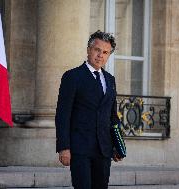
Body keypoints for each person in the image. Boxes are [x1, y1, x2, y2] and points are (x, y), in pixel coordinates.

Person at [55, 30, 123, 189]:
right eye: (97, 50)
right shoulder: (72, 76)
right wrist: (64, 147)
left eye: (105, 52)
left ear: (108, 55)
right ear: (88, 50)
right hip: (80, 149)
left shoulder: (110, 80)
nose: (100, 55)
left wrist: (117, 146)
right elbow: (63, 115)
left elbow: (112, 116)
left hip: (104, 150)